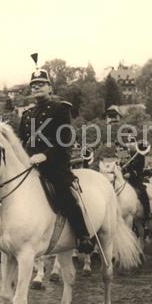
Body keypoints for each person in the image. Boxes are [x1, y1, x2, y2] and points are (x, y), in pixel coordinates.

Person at [18, 63, 94, 254]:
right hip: (30, 166)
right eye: (34, 85)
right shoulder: (27, 115)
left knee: (64, 194)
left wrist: (44, 155)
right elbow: (22, 142)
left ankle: (82, 235)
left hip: (54, 166)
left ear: (50, 87)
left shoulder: (60, 109)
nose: (37, 87)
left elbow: (65, 141)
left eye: (41, 84)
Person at [121, 140, 151, 221]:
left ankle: (147, 213)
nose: (130, 145)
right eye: (129, 143)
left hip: (136, 179)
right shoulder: (129, 155)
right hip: (125, 178)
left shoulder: (141, 156)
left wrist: (130, 174)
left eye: (132, 143)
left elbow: (139, 169)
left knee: (143, 192)